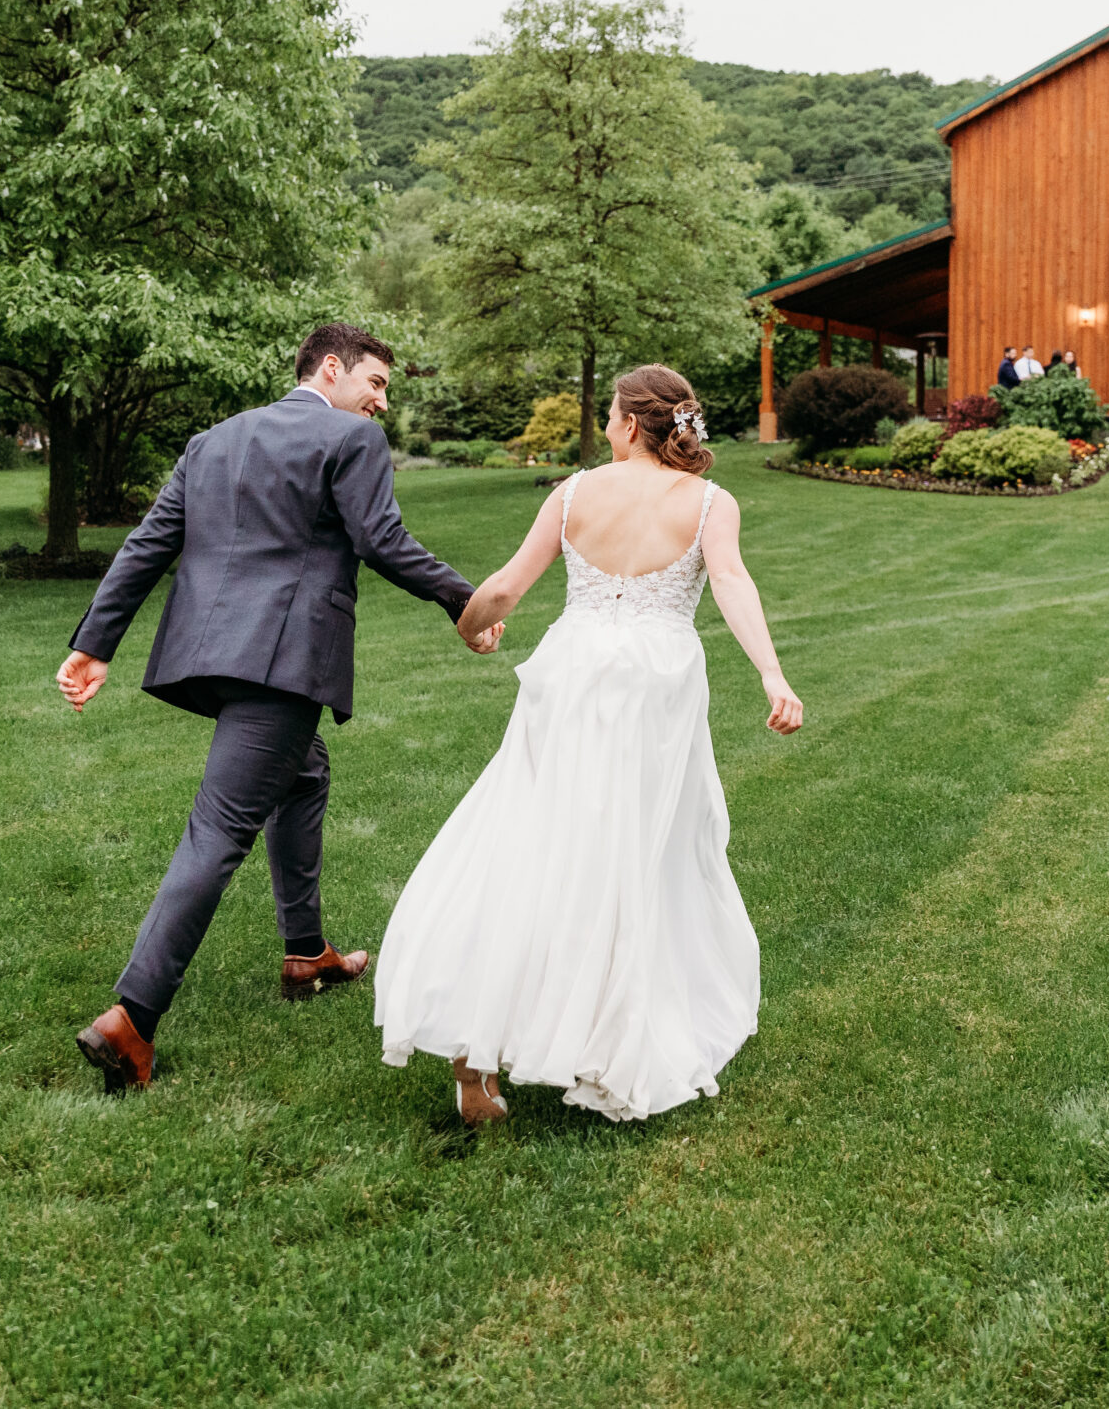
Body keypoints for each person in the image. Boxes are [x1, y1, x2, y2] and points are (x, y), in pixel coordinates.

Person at [56, 322, 499, 1094]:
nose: (382, 403)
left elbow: (147, 543)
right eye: (377, 384)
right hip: (284, 662)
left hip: (210, 655)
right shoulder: (350, 441)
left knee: (304, 773)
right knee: (218, 830)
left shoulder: (214, 440)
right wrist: (467, 600)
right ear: (332, 369)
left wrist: (97, 642)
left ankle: (306, 953)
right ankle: (131, 1017)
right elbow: (382, 538)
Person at [375, 365, 803, 1124]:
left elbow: (506, 587)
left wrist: (473, 626)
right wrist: (773, 675)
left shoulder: (572, 493)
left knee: (531, 836)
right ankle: (615, 1040)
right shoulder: (710, 503)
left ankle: (478, 1045)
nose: (607, 423)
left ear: (630, 424)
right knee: (634, 856)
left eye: (611, 412)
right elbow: (733, 583)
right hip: (655, 685)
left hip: (573, 674)